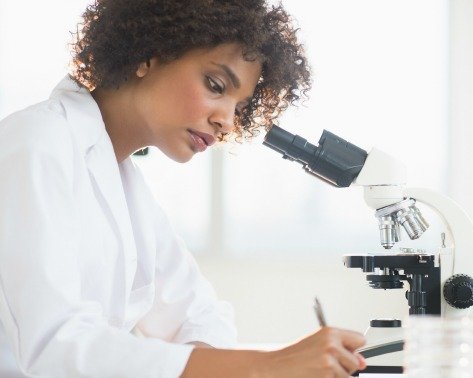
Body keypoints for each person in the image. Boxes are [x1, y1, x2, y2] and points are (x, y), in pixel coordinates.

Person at [0, 0, 367, 376]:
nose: (225, 121)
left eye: (239, 108)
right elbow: (55, 347)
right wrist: (265, 366)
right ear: (148, 54)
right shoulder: (37, 143)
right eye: (216, 85)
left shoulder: (125, 183)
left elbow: (200, 314)